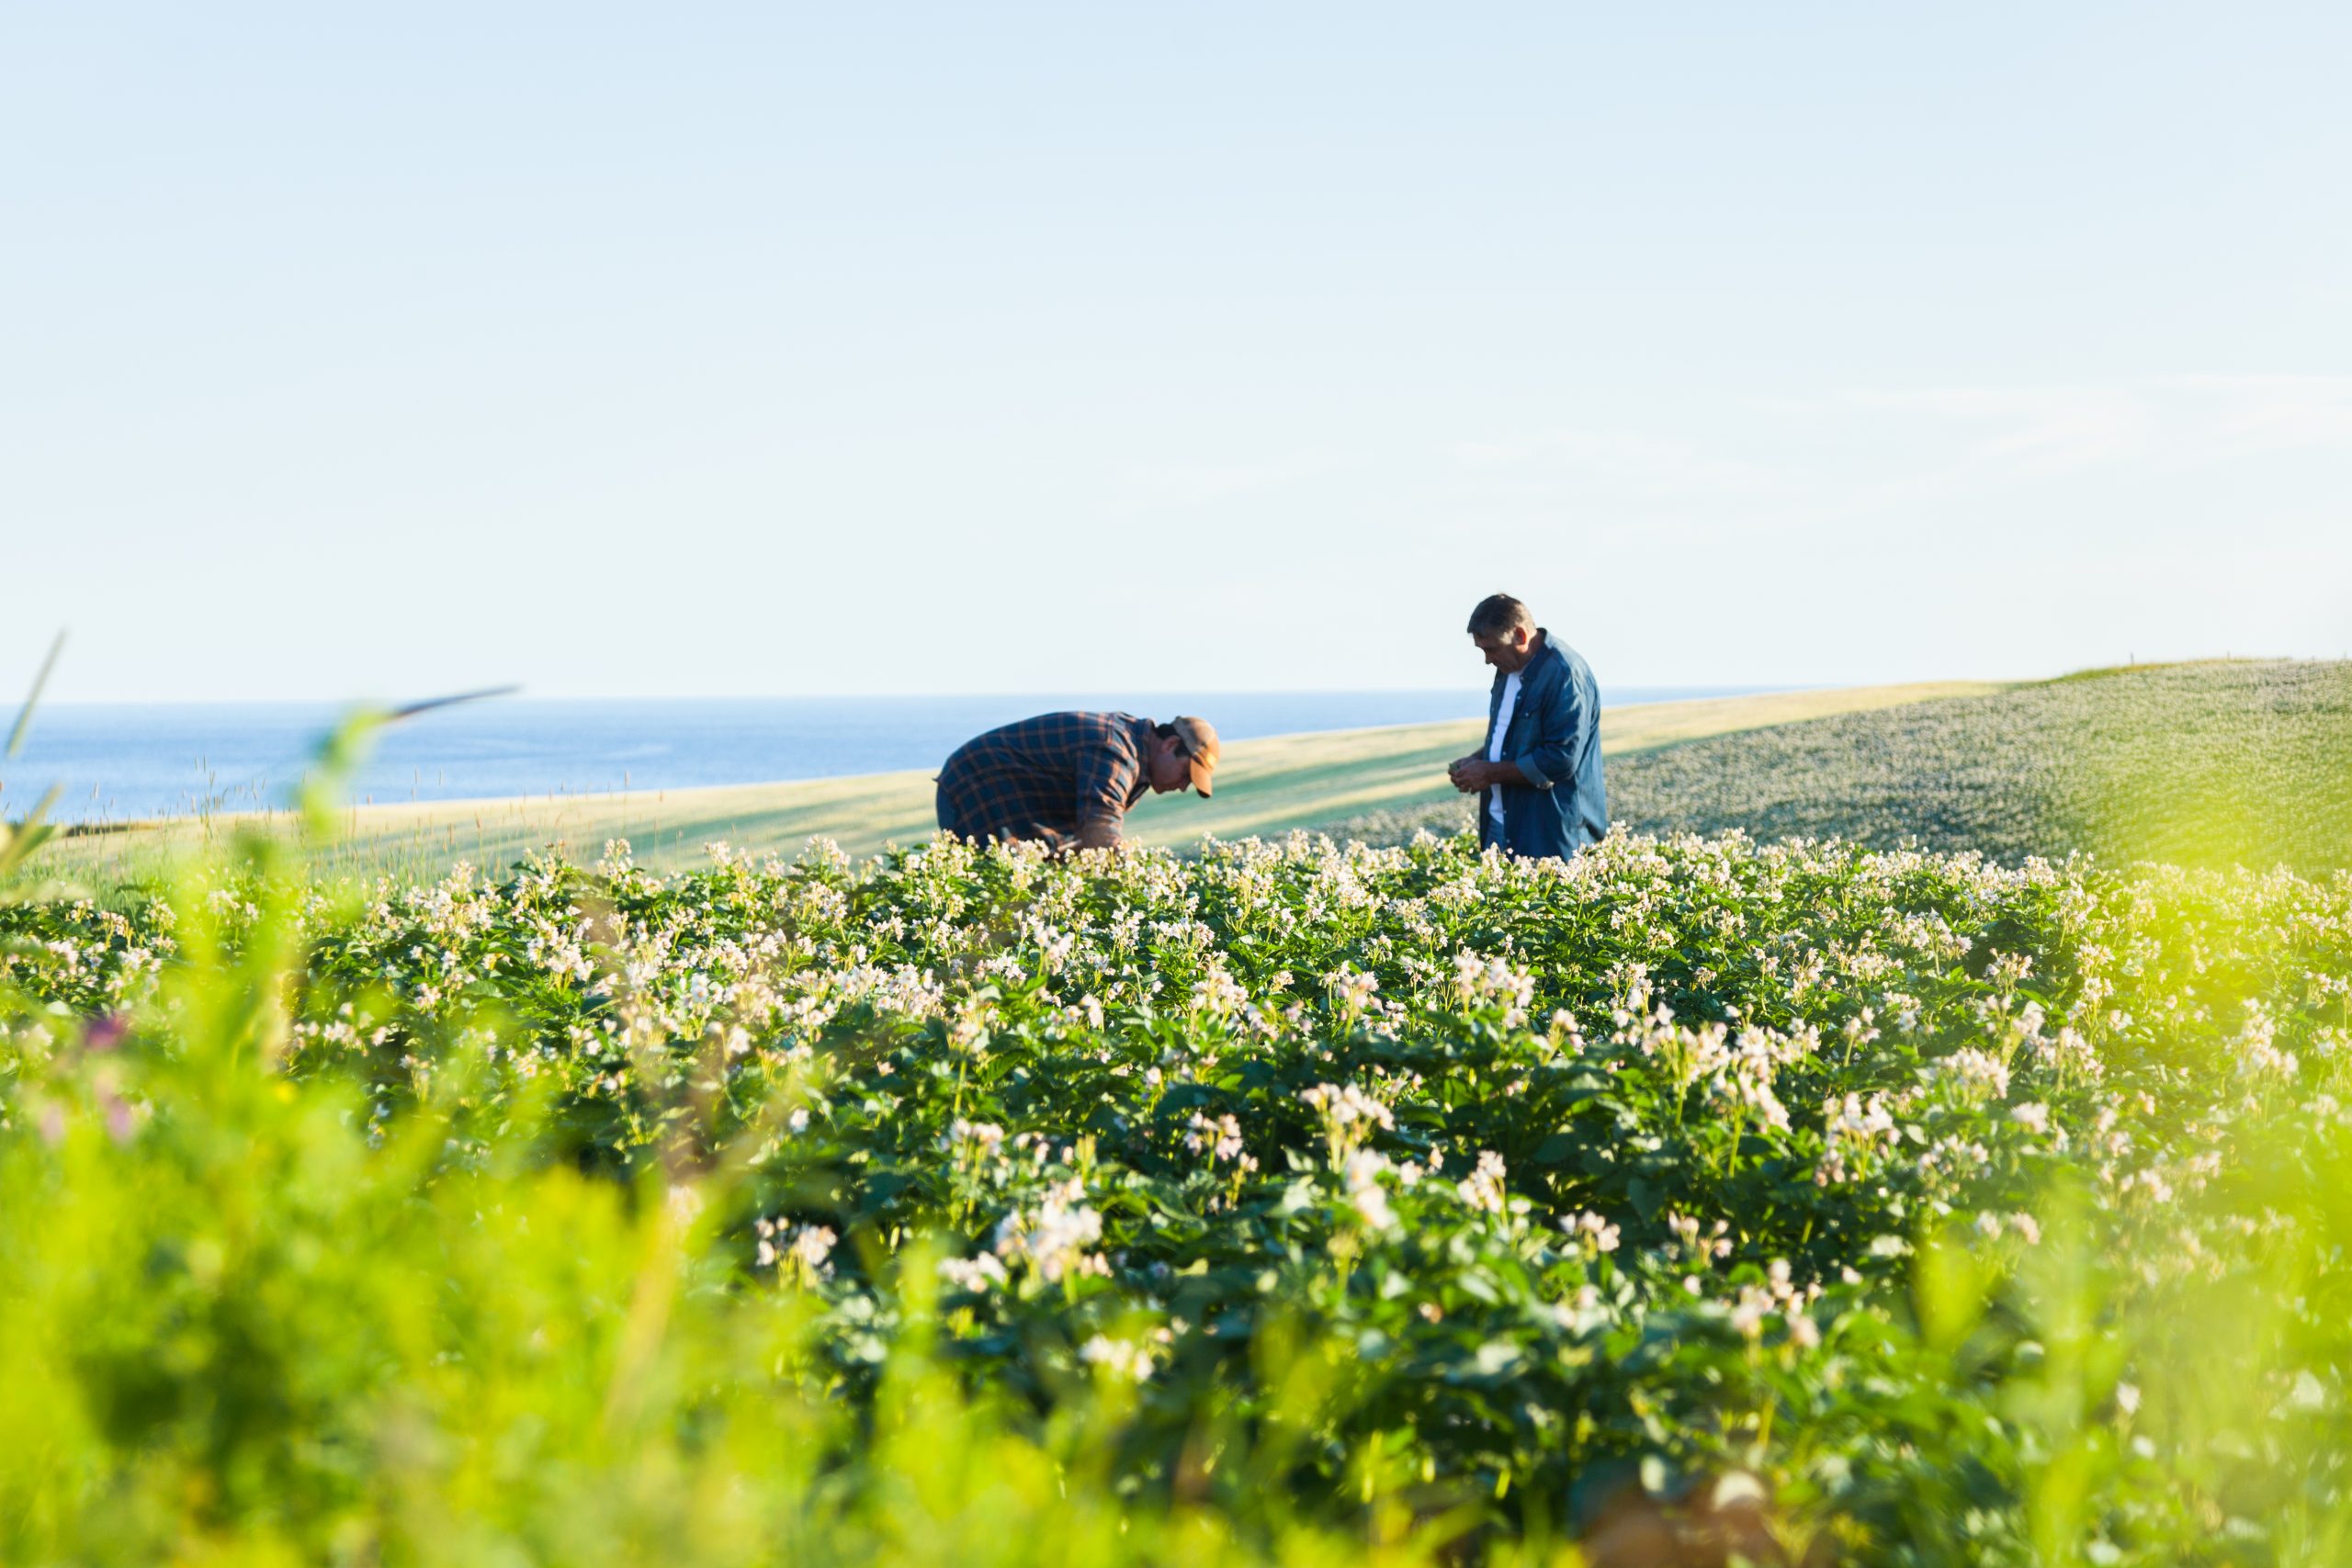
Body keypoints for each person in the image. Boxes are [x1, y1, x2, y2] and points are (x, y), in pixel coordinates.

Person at [1445, 593, 1608, 858]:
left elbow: (1560, 759)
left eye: (1491, 649)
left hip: (1550, 835)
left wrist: (1489, 773)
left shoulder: (1564, 673)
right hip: (1501, 826)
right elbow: (1511, 739)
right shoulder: (1508, 667)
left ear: (1520, 636)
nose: (1487, 660)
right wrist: (1476, 761)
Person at [935, 711, 1219, 852]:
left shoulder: (1133, 751)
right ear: (1169, 745)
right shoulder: (1116, 750)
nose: (1183, 786)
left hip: (1010, 798)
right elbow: (1099, 827)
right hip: (975, 783)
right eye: (1186, 774)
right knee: (996, 891)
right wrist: (1137, 879)